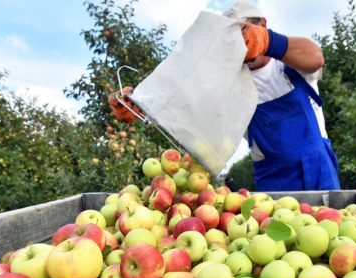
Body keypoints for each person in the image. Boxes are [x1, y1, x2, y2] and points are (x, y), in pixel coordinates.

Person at [109, 0, 341, 192]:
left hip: (318, 170)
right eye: (228, 37)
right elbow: (187, 116)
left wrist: (269, 41)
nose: (236, 42)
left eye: (241, 31)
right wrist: (142, 104)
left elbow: (315, 57)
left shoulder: (288, 66)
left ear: (261, 24)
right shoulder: (229, 88)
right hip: (272, 181)